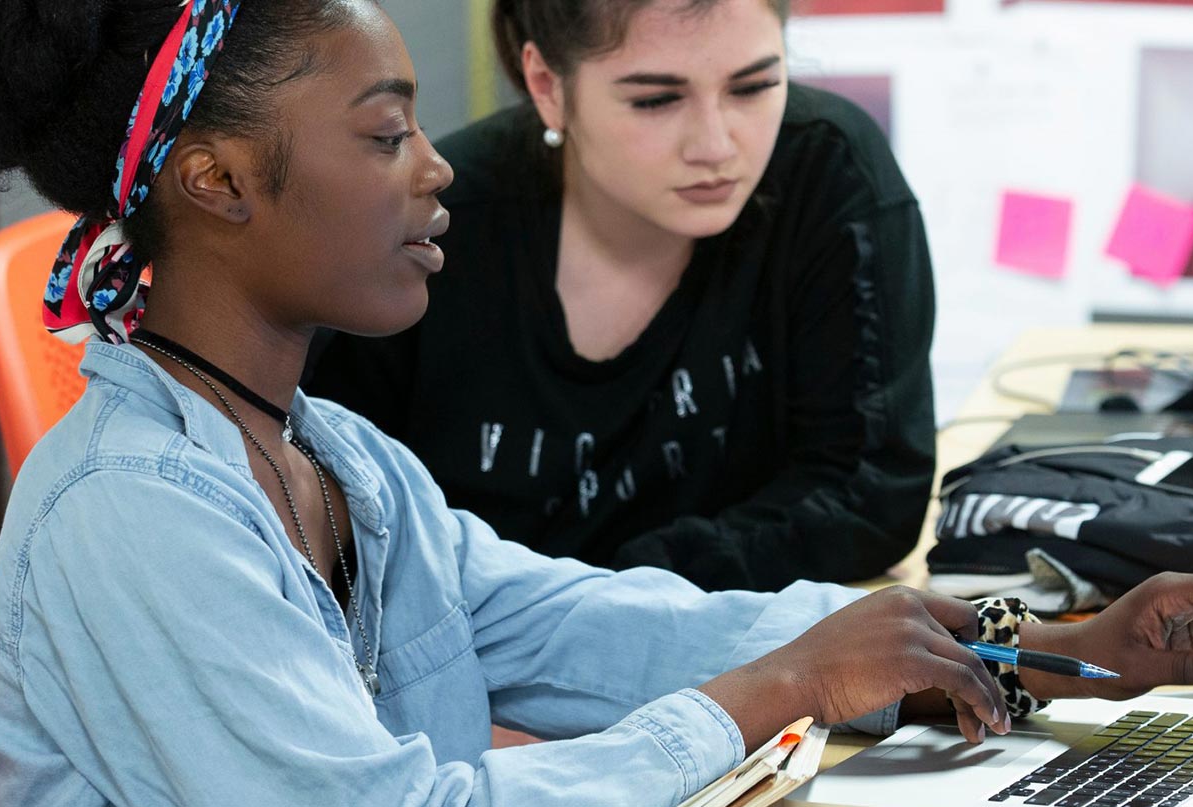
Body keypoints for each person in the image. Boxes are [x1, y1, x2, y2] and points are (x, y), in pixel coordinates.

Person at [0, 0, 1193, 804]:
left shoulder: (340, 461)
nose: (438, 169)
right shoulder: (137, 514)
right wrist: (776, 692)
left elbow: (605, 624)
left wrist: (1057, 643)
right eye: (385, 133)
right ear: (219, 183)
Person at [306, 0, 936, 591]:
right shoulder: (429, 229)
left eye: (755, 87)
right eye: (656, 100)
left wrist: (622, 598)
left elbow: (873, 494)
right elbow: (340, 534)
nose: (715, 146)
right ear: (549, 87)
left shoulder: (827, 170)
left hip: (733, 668)